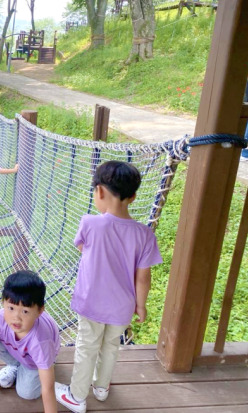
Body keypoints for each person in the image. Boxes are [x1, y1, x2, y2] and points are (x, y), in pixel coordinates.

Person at [56, 161, 162, 413]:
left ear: (100, 191)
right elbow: (143, 277)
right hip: (122, 306)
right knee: (111, 346)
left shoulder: (90, 223)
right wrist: (141, 305)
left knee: (87, 347)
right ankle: (101, 388)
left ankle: (76, 396)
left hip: (91, 302)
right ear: (133, 197)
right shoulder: (145, 234)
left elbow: (83, 248)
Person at [0, 270, 61, 413]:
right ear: (3, 303)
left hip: (35, 361)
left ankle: (30, 368)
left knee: (27, 393)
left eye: (25, 311)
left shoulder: (40, 342)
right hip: (20, 351)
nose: (16, 318)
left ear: (40, 311)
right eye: (11, 308)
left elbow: (48, 388)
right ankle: (16, 366)